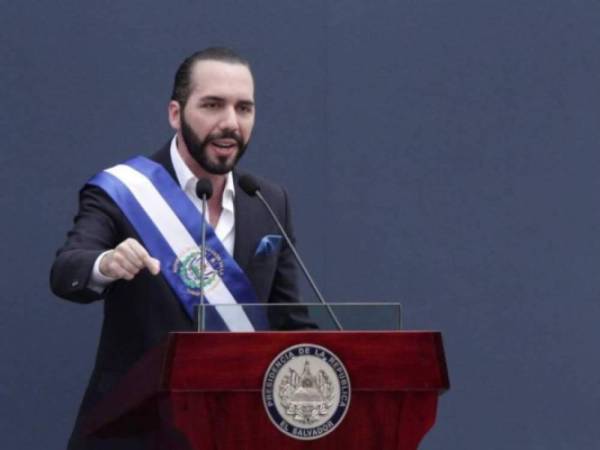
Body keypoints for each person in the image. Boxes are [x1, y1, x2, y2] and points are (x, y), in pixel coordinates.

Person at [50, 47, 312, 450]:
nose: (230, 123)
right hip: (135, 431)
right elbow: (68, 270)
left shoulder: (268, 201)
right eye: (212, 105)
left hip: (237, 432)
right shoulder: (123, 191)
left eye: (244, 108)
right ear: (176, 113)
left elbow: (290, 320)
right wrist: (107, 263)